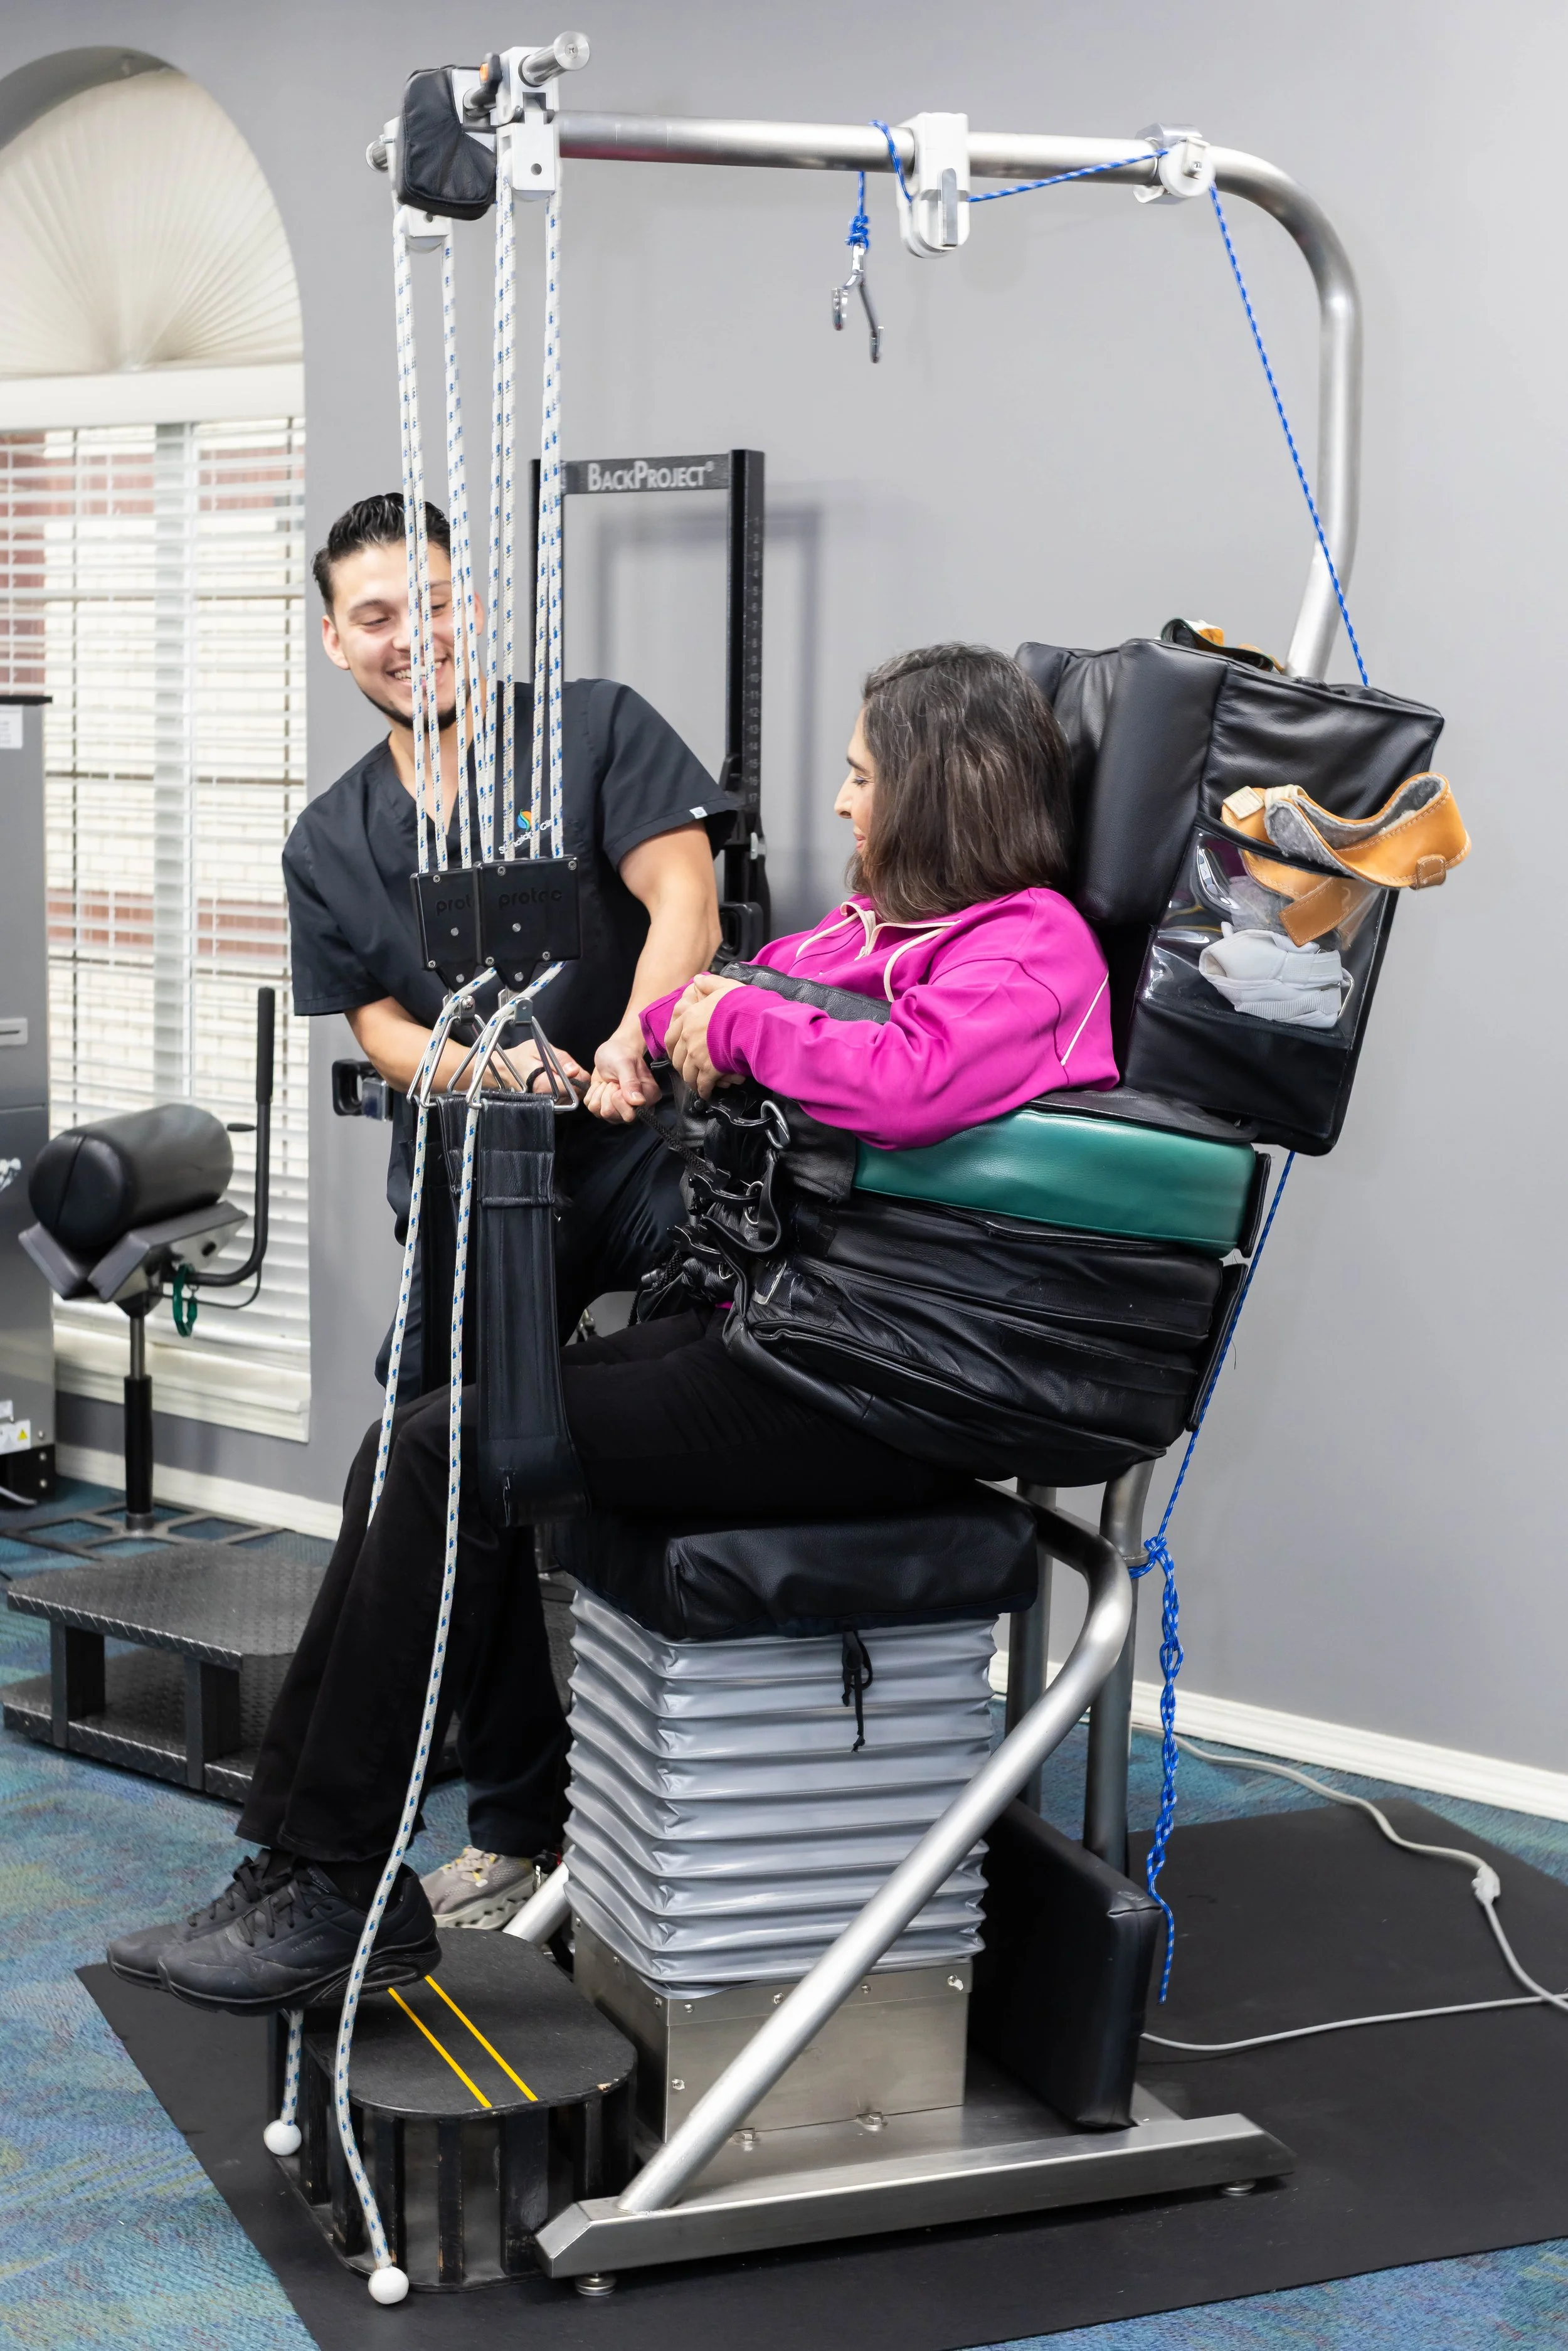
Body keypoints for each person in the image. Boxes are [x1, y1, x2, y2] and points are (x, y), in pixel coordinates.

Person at [108, 644, 1116, 2014]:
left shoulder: (1032, 945)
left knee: (458, 1447)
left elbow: (908, 1078)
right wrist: (685, 1015)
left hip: (880, 1383)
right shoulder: (874, 933)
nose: (837, 805)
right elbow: (740, 982)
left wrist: (735, 1015)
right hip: (798, 1337)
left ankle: (338, 1886)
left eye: (862, 775)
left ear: (940, 792)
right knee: (409, 1438)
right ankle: (299, 1865)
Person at [282, 493, 739, 1928]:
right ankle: (517, 1820)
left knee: (737, 1368)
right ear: (332, 639)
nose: (407, 636)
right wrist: (489, 1068)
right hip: (487, 1170)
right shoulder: (331, 834)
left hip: (640, 1136)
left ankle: (726, 1769)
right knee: (450, 1457)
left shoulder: (591, 726)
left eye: (426, 600)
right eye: (372, 615)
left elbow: (686, 897)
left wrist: (635, 1035)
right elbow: (383, 1034)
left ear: (466, 600)